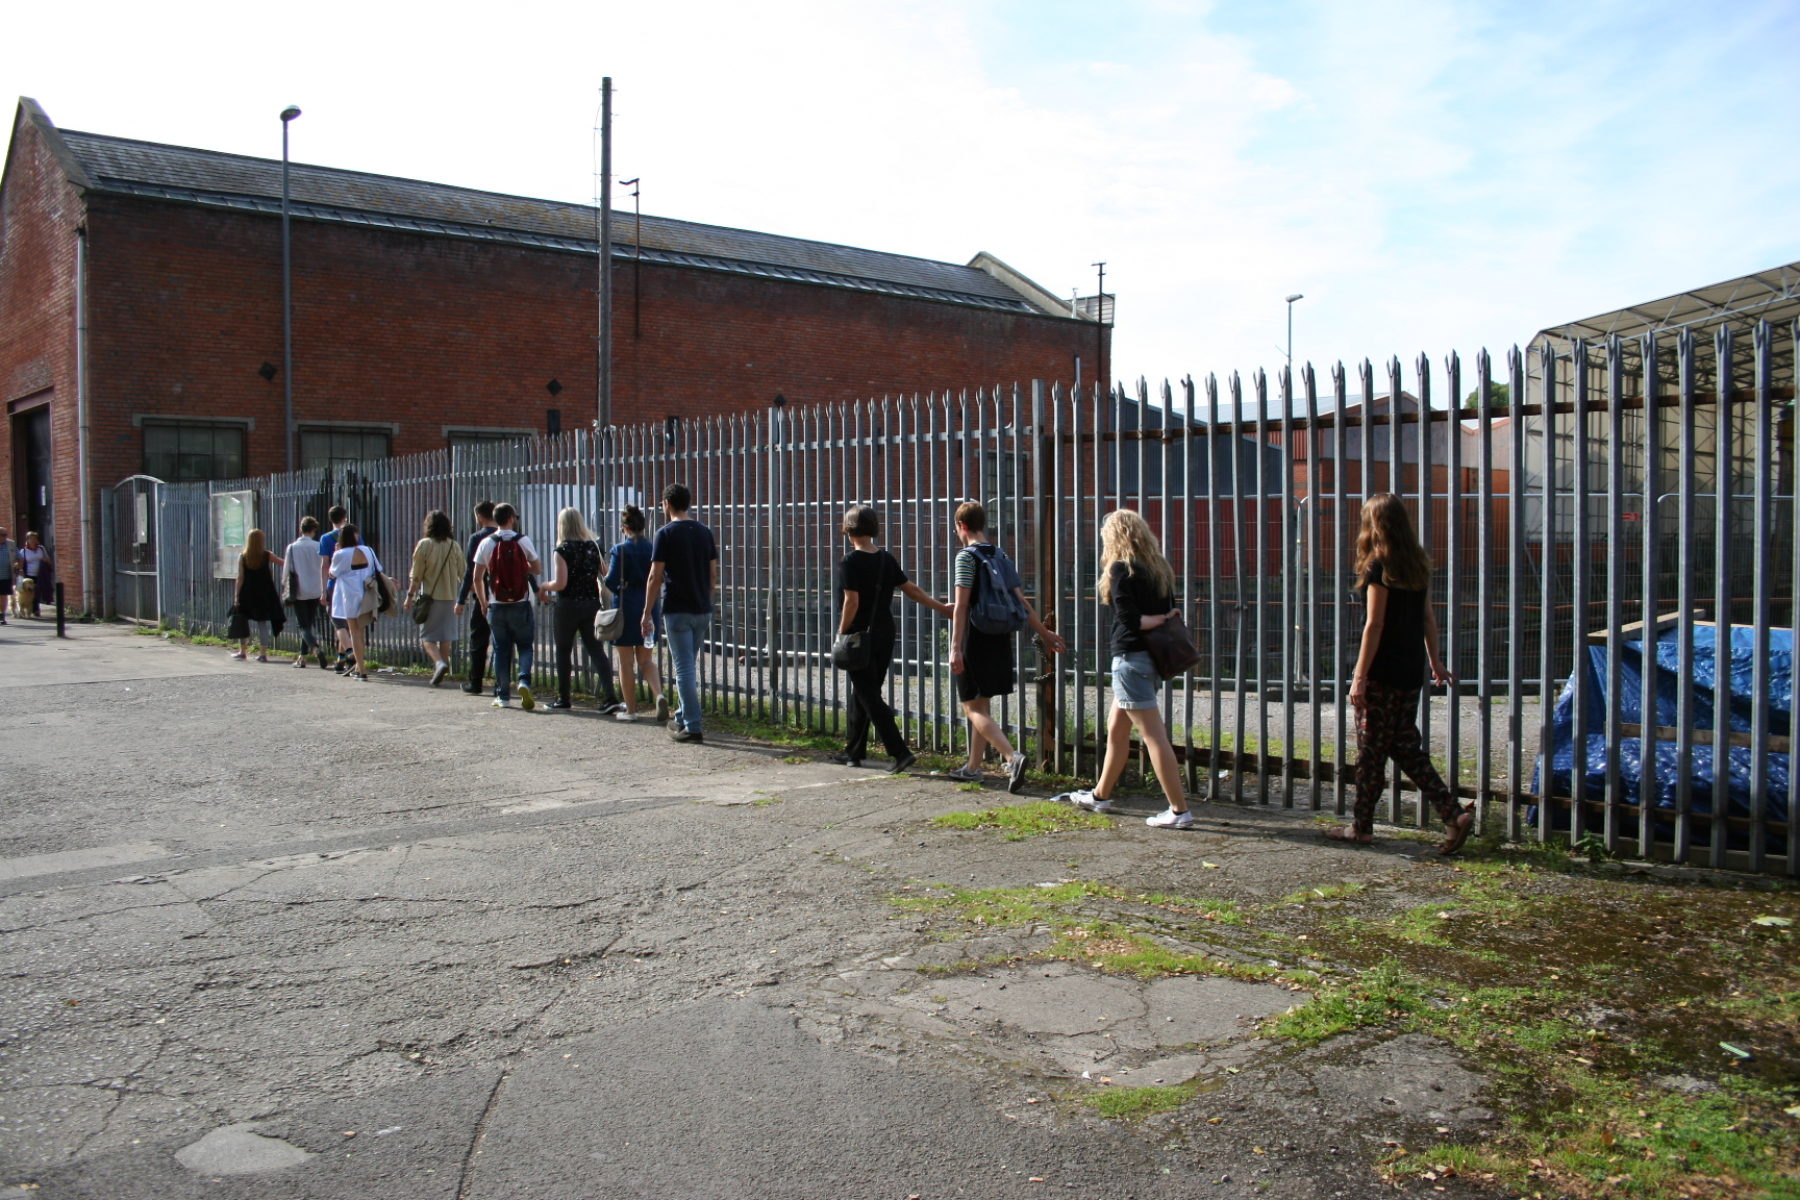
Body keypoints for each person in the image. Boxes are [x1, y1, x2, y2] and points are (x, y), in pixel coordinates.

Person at [1328, 493, 1474, 855]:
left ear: (1373, 524)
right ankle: (1452, 813)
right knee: (1405, 747)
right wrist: (1435, 662)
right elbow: (1427, 618)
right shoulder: (1415, 564)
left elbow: (1374, 624)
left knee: (1371, 753)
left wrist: (1359, 676)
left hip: (1381, 673)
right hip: (1410, 671)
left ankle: (1360, 829)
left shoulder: (1380, 565)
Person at [1068, 510, 1192, 827]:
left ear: (1114, 537)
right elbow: (1169, 610)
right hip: (1152, 660)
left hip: (1130, 660)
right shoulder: (1157, 567)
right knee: (1117, 731)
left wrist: (1160, 620)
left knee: (1153, 737)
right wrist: (1165, 618)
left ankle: (1179, 811)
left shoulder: (1120, 569)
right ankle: (1100, 795)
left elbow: (1132, 621)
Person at [945, 501, 1064, 792]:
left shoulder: (966, 558)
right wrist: (1045, 633)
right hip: (999, 636)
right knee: (982, 704)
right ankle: (973, 767)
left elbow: (961, 606)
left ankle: (1012, 756)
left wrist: (955, 647)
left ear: (961, 526)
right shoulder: (1001, 555)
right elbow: (1021, 601)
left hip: (974, 637)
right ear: (983, 524)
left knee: (971, 707)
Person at [830, 505, 951, 773]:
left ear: (848, 529)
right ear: (872, 529)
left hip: (858, 635)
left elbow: (851, 601)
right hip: (884, 633)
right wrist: (941, 607)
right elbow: (912, 590)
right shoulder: (886, 559)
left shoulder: (849, 561)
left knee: (869, 696)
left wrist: (841, 632)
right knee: (863, 693)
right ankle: (854, 751)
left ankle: (900, 752)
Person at [642, 484, 717, 743]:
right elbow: (713, 574)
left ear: (667, 504)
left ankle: (693, 727)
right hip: (701, 608)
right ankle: (684, 716)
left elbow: (655, 576)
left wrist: (646, 612)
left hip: (677, 608)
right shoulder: (705, 532)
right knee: (688, 662)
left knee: (684, 668)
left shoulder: (665, 533)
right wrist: (706, 599)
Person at [538, 506, 624, 712]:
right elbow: (605, 572)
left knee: (564, 650)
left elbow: (560, 583)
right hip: (591, 604)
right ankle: (610, 697)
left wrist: (543, 586)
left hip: (567, 605)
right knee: (596, 650)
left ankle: (564, 697)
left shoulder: (562, 550)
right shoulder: (593, 546)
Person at [471, 502, 540, 710]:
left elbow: (477, 578)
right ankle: (524, 681)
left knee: (501, 649)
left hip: (496, 603)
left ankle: (503, 696)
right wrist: (521, 567)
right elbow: (537, 569)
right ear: (511, 518)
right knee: (525, 646)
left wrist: (484, 603)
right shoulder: (523, 540)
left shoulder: (486, 543)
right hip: (521, 602)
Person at [604, 505, 666, 723]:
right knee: (646, 660)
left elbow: (611, 581)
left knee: (625, 662)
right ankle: (659, 695)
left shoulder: (619, 550)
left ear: (624, 528)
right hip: (649, 606)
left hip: (625, 607)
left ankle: (631, 710)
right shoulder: (652, 548)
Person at [407, 509, 467, 688]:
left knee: (427, 637)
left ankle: (439, 663)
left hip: (430, 598)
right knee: (445, 635)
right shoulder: (453, 545)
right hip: (450, 596)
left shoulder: (424, 545)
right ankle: (440, 669)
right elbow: (462, 572)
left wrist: (409, 596)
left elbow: (416, 575)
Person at [328, 523, 383, 681]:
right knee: (361, 632)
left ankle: (362, 669)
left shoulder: (341, 554)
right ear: (355, 535)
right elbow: (377, 569)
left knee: (354, 633)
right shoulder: (368, 550)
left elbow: (332, 574)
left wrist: (335, 553)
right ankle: (359, 666)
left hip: (349, 596)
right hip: (367, 594)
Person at [455, 501, 499, 696]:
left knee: (478, 640)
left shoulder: (478, 538)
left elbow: (471, 572)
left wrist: (461, 599)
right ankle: (502, 684)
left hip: (484, 595)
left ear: (479, 517)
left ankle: (476, 682)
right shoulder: (508, 537)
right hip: (507, 595)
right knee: (502, 641)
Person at [229, 529, 286, 661]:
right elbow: (282, 563)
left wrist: (236, 596)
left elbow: (240, 578)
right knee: (262, 624)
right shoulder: (267, 555)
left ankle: (242, 651)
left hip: (247, 593)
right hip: (264, 593)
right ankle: (263, 654)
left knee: (242, 621)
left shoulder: (243, 556)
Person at [283, 516, 327, 668]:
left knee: (303, 626)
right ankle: (302, 657)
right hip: (315, 589)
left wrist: (284, 585)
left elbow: (287, 570)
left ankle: (315, 647)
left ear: (300, 529)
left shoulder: (293, 547)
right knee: (308, 623)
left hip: (299, 590)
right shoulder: (318, 546)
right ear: (314, 530)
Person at [318, 505, 351, 672]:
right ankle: (340, 660)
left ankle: (351, 654)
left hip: (334, 584)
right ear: (345, 517)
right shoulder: (354, 536)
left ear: (330, 519)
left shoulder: (326, 538)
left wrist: (323, 590)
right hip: (353, 584)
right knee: (347, 623)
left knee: (338, 624)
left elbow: (325, 566)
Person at [17, 532, 50, 618]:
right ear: (27, 540)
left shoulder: (41, 549)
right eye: (31, 538)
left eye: (34, 538)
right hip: (28, 575)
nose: (33, 540)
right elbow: (20, 563)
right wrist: (20, 570)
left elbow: (48, 560)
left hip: (40, 574)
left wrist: (45, 560)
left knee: (38, 592)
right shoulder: (23, 551)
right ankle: (26, 609)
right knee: (29, 593)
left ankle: (36, 609)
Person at [0, 525, 14, 624]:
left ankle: (2, 615)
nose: (5, 537)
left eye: (6, 535)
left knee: (3, 595)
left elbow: (19, 556)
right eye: (3, 535)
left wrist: (19, 566)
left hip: (5, 575)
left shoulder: (10, 544)